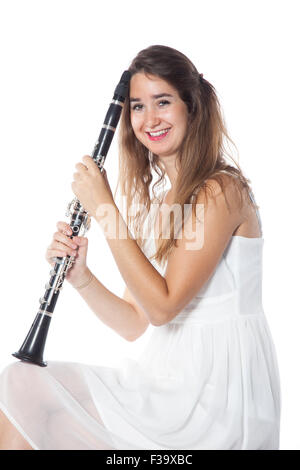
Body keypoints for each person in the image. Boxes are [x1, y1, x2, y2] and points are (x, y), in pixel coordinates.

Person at [0, 45, 281, 450]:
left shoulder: (222, 190)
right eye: (136, 107)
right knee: (20, 384)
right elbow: (134, 322)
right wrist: (82, 277)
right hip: (164, 381)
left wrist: (105, 210)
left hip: (216, 396)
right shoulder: (163, 204)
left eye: (162, 102)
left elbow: (163, 308)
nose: (149, 119)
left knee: (27, 399)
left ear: (192, 107)